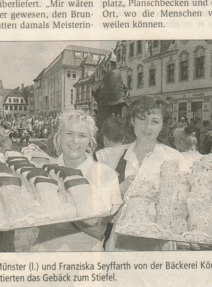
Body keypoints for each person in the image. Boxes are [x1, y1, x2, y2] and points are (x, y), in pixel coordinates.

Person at [32, 110, 121, 252]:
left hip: (86, 260)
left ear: (90, 141)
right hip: (45, 255)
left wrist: (63, 203)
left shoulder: (105, 175)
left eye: (82, 135)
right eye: (69, 133)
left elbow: (98, 229)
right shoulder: (44, 171)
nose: (75, 141)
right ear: (59, 136)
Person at [106, 96, 182, 251]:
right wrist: (121, 189)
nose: (148, 127)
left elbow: (181, 206)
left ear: (163, 125)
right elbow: (101, 203)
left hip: (160, 245)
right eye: (142, 119)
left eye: (155, 121)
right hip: (120, 242)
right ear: (132, 120)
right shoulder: (115, 155)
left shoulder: (174, 158)